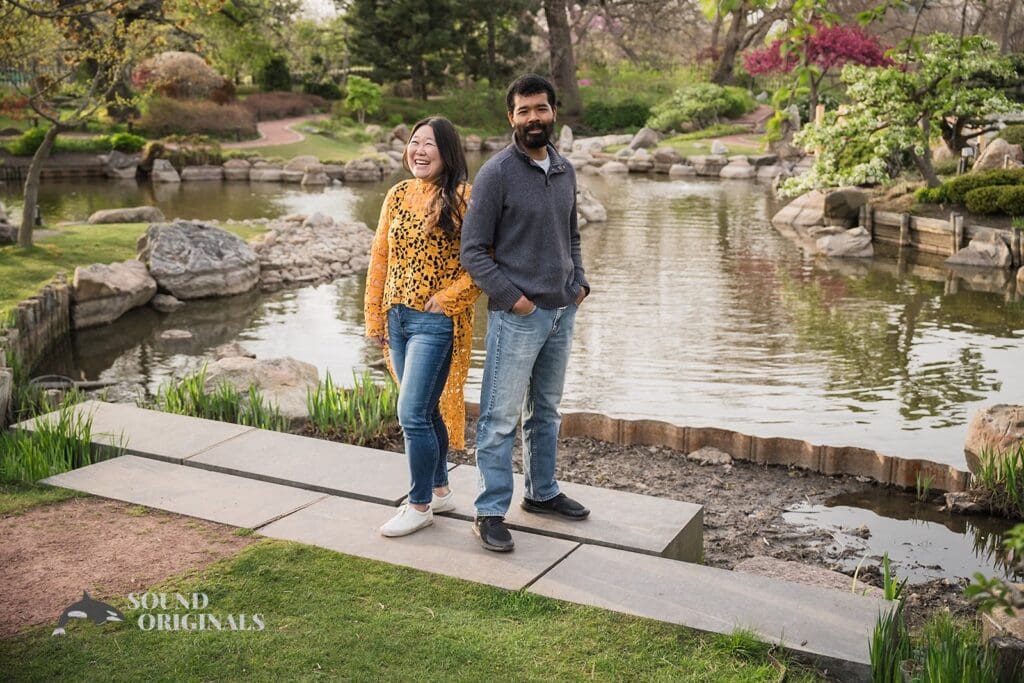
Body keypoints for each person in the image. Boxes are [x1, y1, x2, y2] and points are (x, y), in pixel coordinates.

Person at [460, 74, 591, 553]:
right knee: (499, 417)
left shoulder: (565, 170)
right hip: (518, 316)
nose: (533, 118)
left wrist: (578, 283)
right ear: (510, 117)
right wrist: (515, 299)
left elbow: (571, 234)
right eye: (523, 111)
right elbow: (472, 252)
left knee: (547, 412)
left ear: (554, 112)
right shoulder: (496, 174)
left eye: (540, 109)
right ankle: (489, 511)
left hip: (561, 312)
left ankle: (542, 493)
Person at [364, 116, 480, 537]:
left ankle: (418, 505)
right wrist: (374, 316)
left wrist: (446, 300)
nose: (419, 150)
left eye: (429, 144)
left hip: (434, 322)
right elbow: (380, 257)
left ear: (447, 151)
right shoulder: (396, 195)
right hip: (396, 318)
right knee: (426, 410)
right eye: (415, 142)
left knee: (411, 413)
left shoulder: (464, 198)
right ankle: (441, 490)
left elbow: (483, 266)